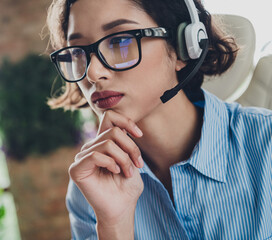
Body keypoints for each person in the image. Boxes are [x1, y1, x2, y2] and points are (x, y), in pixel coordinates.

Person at [45, 0, 272, 239]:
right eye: (78, 52)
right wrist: (113, 225)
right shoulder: (90, 186)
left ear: (184, 47)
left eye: (120, 41)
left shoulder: (266, 145)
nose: (92, 73)